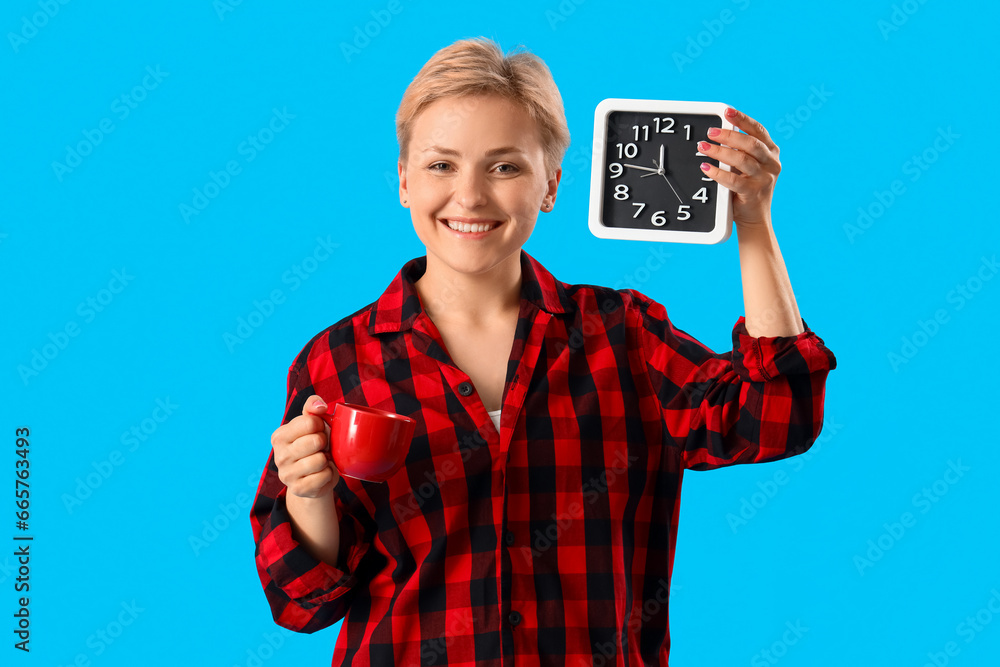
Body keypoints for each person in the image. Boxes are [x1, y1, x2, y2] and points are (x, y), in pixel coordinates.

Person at [250, 36, 837, 666]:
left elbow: (776, 418)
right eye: (441, 165)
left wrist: (752, 223)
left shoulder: (623, 334)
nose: (470, 196)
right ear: (403, 181)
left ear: (551, 185)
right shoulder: (339, 359)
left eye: (505, 167)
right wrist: (308, 495)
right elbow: (302, 601)